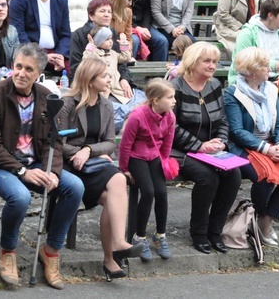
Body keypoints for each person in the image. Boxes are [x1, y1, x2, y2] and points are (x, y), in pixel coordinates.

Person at [0, 43, 82, 289]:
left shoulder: (47, 98)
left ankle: (51, 251)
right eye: (18, 66)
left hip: (36, 164)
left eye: (28, 69)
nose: (20, 73)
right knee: (20, 197)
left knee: (74, 187)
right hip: (0, 164)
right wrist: (23, 171)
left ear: (39, 73)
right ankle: (8, 251)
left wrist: (51, 172)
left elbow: (54, 140)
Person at [56, 57, 143, 279]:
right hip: (70, 165)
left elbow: (109, 142)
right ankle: (113, 253)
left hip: (93, 162)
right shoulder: (67, 103)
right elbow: (57, 143)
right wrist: (80, 152)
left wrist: (88, 150)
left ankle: (114, 251)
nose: (110, 79)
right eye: (104, 76)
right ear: (90, 79)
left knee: (117, 184)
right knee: (116, 187)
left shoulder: (106, 104)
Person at [224, 46, 279, 247]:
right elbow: (236, 131)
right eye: (264, 66)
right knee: (265, 178)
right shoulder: (232, 93)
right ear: (252, 72)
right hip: (245, 146)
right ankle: (259, 217)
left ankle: (265, 219)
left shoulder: (270, 89)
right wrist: (265, 149)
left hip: (271, 144)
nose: (269, 68)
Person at [169, 42, 241, 254]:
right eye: (207, 61)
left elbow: (223, 119)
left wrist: (220, 141)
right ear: (193, 62)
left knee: (233, 175)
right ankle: (199, 233)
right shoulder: (175, 87)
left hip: (210, 149)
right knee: (208, 178)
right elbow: (170, 126)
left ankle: (215, 231)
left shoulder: (214, 85)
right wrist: (198, 145)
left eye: (215, 62)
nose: (212, 66)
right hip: (179, 150)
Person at [119, 78, 176, 262]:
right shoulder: (138, 116)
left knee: (161, 192)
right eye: (170, 97)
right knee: (148, 192)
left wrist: (164, 163)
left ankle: (160, 235)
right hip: (137, 157)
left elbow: (167, 143)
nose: (174, 101)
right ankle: (139, 236)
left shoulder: (170, 116)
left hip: (155, 156)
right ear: (156, 100)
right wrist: (125, 168)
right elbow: (125, 144)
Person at [229, 0, 279, 123]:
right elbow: (242, 62)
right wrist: (272, 65)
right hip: (251, 78)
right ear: (271, 15)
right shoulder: (248, 33)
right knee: (265, 98)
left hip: (275, 78)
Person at [10, 0, 70, 71]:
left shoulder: (61, 1)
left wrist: (60, 55)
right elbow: (18, 32)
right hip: (29, 52)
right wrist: (41, 56)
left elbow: (65, 34)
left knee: (76, 70)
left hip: (55, 52)